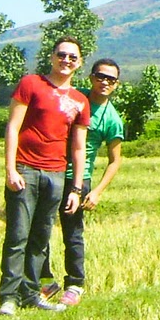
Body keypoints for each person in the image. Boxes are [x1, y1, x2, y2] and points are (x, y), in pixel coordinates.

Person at [0, 36, 90, 315]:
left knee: (41, 238)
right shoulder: (31, 84)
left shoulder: (80, 101)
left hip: (57, 174)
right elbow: (13, 127)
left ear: (79, 63)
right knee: (17, 236)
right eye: (62, 55)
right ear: (51, 57)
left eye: (73, 57)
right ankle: (8, 298)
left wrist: (75, 189)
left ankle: (30, 293)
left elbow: (78, 146)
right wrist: (10, 169)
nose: (66, 61)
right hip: (26, 170)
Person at [42, 58, 125, 307]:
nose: (104, 82)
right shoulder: (75, 100)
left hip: (79, 179)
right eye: (100, 76)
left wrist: (97, 191)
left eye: (110, 79)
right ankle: (44, 280)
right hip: (51, 171)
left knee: (73, 233)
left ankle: (75, 284)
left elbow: (115, 161)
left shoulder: (112, 119)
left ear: (116, 85)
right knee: (40, 229)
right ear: (91, 77)